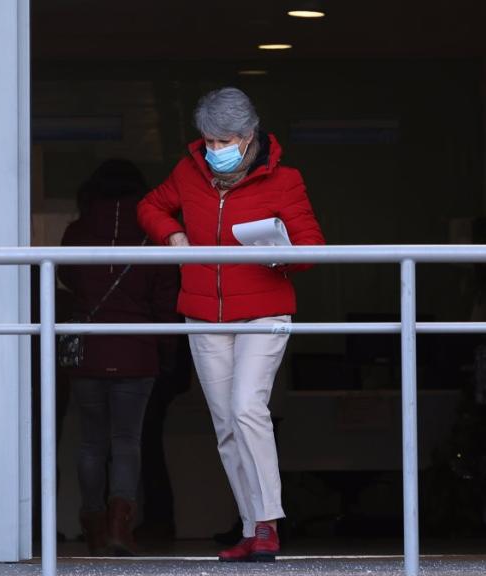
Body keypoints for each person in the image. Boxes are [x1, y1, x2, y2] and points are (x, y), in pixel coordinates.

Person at [137, 87, 325, 562]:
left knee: (246, 408)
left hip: (264, 310)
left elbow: (311, 248)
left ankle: (267, 523)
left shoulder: (285, 180)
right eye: (209, 141)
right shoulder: (188, 172)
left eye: (225, 141)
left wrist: (281, 256)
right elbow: (151, 207)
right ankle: (249, 526)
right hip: (204, 314)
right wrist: (173, 235)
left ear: (248, 136)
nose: (215, 149)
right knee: (224, 424)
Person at [59, 159, 180, 556]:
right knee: (127, 441)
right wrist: (168, 351)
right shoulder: (153, 232)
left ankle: (93, 523)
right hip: (137, 348)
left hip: (89, 349)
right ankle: (118, 526)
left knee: (90, 443)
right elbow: (166, 299)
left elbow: (66, 278)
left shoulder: (77, 232)